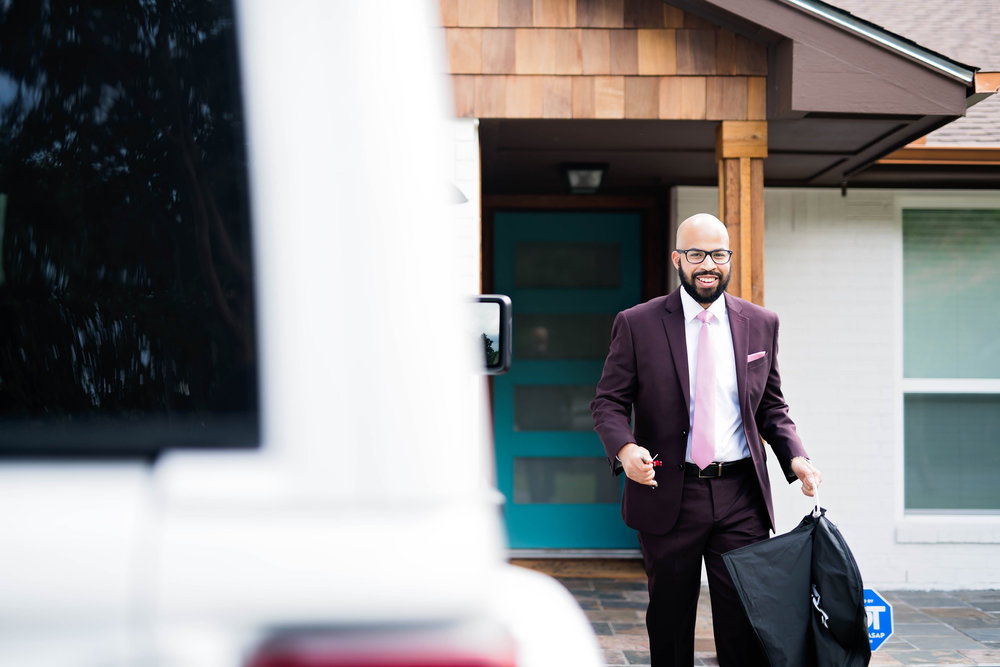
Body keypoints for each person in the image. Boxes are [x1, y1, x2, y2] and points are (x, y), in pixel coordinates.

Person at [590, 213, 822, 667]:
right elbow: (608, 402)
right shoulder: (637, 323)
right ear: (678, 259)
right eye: (696, 254)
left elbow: (772, 407)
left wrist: (795, 457)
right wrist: (625, 448)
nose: (708, 264)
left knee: (745, 622)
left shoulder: (761, 323)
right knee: (671, 620)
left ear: (728, 258)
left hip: (741, 495)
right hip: (669, 492)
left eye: (718, 254)